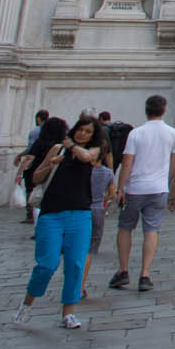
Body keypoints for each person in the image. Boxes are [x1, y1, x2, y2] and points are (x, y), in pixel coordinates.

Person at [15, 115, 106, 329]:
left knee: (75, 264)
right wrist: (50, 165)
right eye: (80, 129)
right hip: (52, 213)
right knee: (47, 264)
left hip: (80, 214)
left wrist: (72, 146)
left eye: (88, 132)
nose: (83, 134)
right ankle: (27, 304)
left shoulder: (94, 151)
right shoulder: (57, 149)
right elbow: (36, 178)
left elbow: (85, 157)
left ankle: (68, 313)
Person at [110, 95, 175, 293]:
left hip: (135, 188)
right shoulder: (173, 133)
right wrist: (166, 182)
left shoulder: (136, 133)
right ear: (164, 109)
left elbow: (127, 163)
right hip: (158, 188)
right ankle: (145, 274)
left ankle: (123, 270)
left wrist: (120, 188)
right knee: (151, 230)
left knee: (125, 227)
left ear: (146, 110)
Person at [81, 134, 116, 301]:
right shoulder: (107, 173)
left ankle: (74, 282)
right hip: (97, 211)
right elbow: (112, 194)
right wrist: (102, 199)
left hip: (81, 209)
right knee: (89, 250)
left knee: (77, 249)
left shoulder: (83, 171)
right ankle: (80, 286)